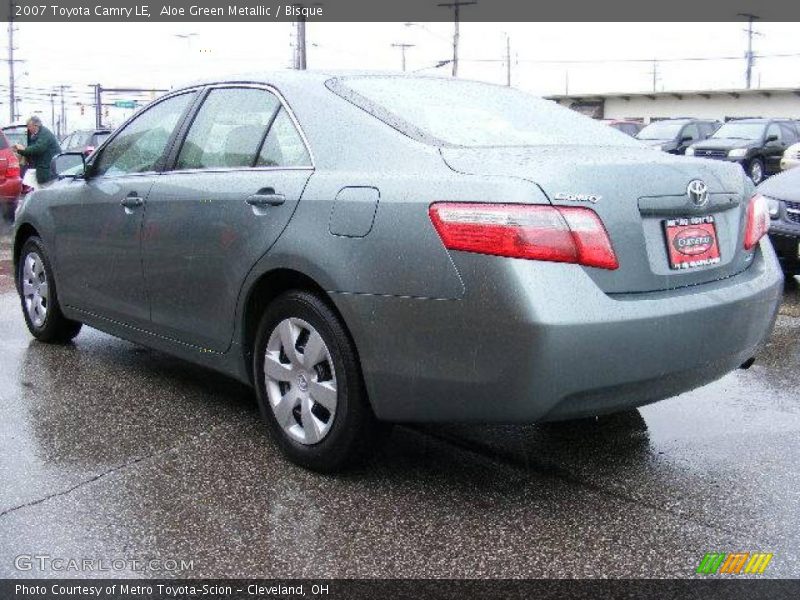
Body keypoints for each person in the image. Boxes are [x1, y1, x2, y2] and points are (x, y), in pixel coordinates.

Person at [14, 116, 61, 185]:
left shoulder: (45, 134)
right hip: (41, 167)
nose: (28, 128)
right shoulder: (36, 134)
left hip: (48, 169)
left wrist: (22, 150)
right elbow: (33, 148)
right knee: (31, 186)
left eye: (29, 126)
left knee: (44, 188)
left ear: (36, 125)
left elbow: (38, 149)